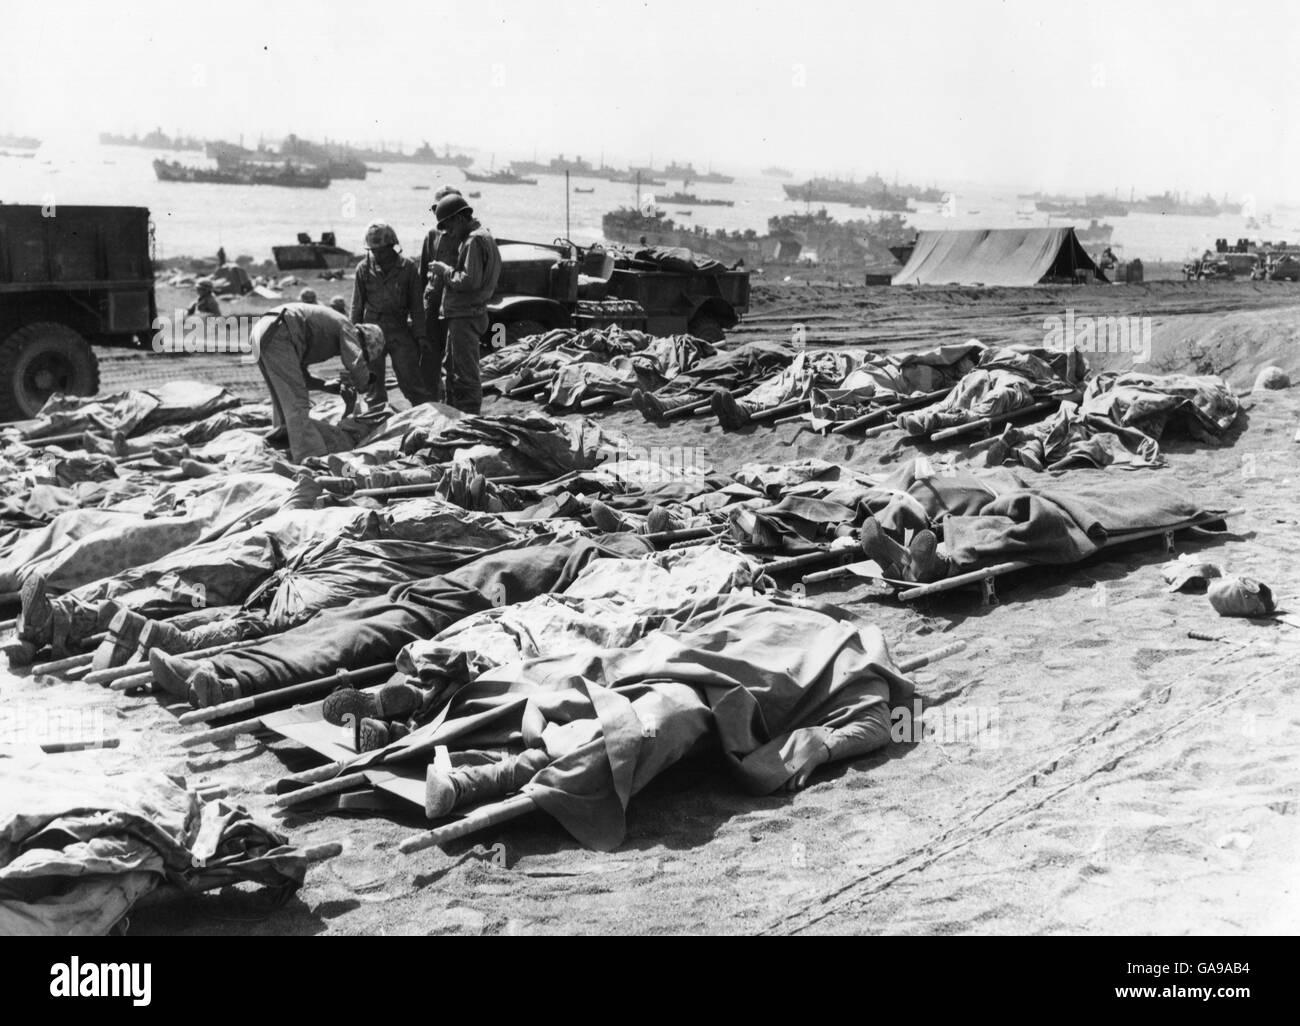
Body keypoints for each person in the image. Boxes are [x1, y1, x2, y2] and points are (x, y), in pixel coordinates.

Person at [252, 302, 385, 462]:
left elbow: (302, 377)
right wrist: (363, 384)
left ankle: (283, 444)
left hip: (263, 331)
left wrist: (326, 385)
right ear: (364, 342)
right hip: (280, 330)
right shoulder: (348, 327)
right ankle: (311, 457)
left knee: (283, 399)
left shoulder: (327, 328)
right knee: (298, 403)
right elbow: (356, 362)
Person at [426, 194, 501, 414]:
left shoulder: (474, 241)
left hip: (465, 316)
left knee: (465, 374)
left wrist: (444, 270)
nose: (448, 233)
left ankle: (469, 420)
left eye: (449, 227)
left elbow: (469, 281)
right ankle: (453, 413)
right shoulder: (483, 236)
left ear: (459, 219)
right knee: (452, 367)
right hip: (465, 314)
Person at [351, 221, 435, 407]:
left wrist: (420, 335)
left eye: (381, 250)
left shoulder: (409, 268)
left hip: (399, 328)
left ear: (392, 246)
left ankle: (424, 415)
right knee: (374, 387)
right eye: (373, 251)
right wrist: (353, 336)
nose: (377, 255)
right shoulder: (363, 269)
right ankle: (377, 419)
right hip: (371, 331)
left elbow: (416, 306)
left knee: (412, 381)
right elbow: (357, 305)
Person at [418, 186, 464, 401]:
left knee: (454, 358)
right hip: (432, 303)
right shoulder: (432, 235)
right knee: (428, 356)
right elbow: (422, 274)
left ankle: (452, 401)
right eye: (436, 210)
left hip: (455, 305)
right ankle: (430, 401)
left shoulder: (467, 236)